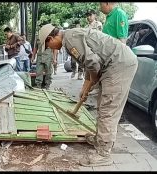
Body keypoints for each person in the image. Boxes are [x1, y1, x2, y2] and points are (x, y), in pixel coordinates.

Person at [38, 24, 138, 167]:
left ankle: (103, 153)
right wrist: (86, 87)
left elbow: (93, 64)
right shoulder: (70, 37)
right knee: (102, 104)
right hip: (113, 64)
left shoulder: (69, 40)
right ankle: (100, 139)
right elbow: (88, 63)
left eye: (49, 45)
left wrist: (91, 82)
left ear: (51, 38)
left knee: (108, 109)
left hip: (118, 65)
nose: (51, 49)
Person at [100, 2, 129, 123]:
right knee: (107, 93)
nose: (99, 7)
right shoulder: (109, 16)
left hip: (116, 60)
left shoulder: (119, 14)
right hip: (107, 60)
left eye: (100, 4)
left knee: (115, 93)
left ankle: (116, 118)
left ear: (106, 3)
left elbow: (122, 41)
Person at [85, 9, 103, 95]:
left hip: (97, 48)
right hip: (89, 49)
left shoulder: (98, 24)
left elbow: (100, 36)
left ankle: (96, 86)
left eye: (90, 15)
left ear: (94, 15)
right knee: (89, 69)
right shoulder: (86, 26)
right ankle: (89, 87)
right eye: (87, 15)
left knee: (97, 68)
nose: (89, 17)